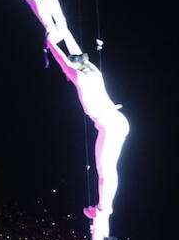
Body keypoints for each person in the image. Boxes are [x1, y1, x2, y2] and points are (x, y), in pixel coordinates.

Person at [54, 51, 129, 220]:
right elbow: (74, 51)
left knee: (105, 170)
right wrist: (61, 33)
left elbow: (61, 60)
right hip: (117, 121)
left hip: (110, 125)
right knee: (107, 169)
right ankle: (104, 207)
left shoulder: (80, 78)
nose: (66, 76)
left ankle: (104, 208)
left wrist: (49, 42)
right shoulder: (94, 71)